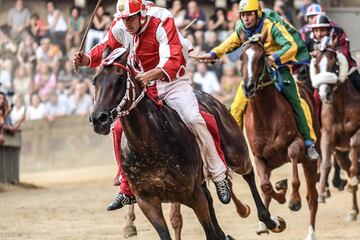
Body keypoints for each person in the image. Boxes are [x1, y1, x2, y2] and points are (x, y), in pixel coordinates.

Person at [74, 0, 231, 211]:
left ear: (142, 14)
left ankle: (218, 173)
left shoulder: (162, 20)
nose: (127, 24)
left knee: (193, 118)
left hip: (172, 82)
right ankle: (126, 186)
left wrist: (150, 75)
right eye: (124, 19)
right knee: (120, 127)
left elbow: (173, 60)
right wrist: (86, 59)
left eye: (131, 19)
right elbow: (107, 46)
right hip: (143, 83)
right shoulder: (121, 24)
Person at [198, 0, 320, 160]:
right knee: (235, 106)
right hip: (255, 69)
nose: (246, 19)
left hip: (279, 66)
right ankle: (231, 147)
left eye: (249, 14)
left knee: (297, 101)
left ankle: (309, 142)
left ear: (257, 13)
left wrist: (273, 58)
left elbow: (291, 46)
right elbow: (231, 41)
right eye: (243, 15)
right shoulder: (241, 27)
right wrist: (213, 54)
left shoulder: (271, 24)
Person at [303, 10, 360, 94]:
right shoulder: (308, 38)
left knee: (358, 82)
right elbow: (304, 55)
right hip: (320, 72)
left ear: (329, 30)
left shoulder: (338, 32)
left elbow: (345, 51)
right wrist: (311, 55)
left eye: (322, 30)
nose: (319, 34)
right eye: (316, 30)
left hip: (343, 66)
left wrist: (331, 51)